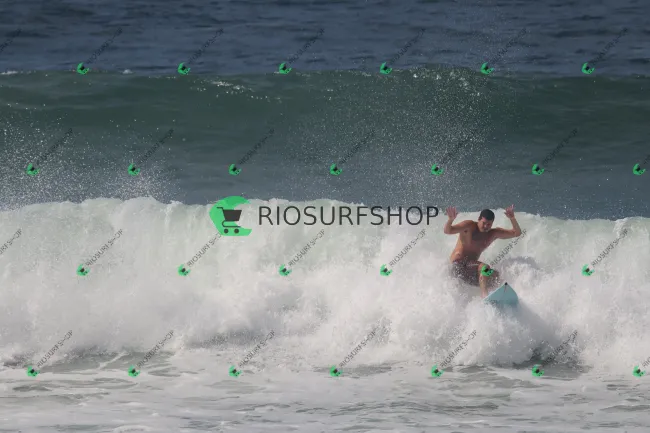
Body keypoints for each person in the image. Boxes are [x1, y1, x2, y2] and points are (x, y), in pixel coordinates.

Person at [444, 205, 522, 298]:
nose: (486, 226)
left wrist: (512, 218)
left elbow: (517, 233)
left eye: (489, 224)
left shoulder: (493, 233)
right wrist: (450, 220)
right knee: (485, 268)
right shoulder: (469, 226)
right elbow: (448, 231)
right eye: (484, 223)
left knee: (495, 276)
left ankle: (494, 297)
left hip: (469, 272)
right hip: (457, 267)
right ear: (479, 219)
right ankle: (484, 296)